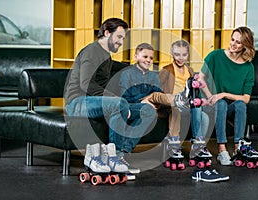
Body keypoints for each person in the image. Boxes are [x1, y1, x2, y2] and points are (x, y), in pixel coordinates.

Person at [64, 18, 157, 174]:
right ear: (107, 33)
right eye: (119, 37)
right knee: (119, 104)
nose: (121, 42)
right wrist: (118, 102)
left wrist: (141, 64)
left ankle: (121, 155)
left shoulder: (106, 55)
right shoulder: (91, 52)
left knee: (148, 110)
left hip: (94, 102)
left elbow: (118, 66)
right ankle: (114, 158)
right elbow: (86, 85)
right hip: (77, 103)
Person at [198, 26, 257, 165]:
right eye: (232, 39)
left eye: (238, 42)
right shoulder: (215, 56)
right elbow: (200, 78)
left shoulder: (248, 68)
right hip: (212, 103)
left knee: (240, 105)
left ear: (245, 46)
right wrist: (211, 96)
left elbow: (246, 98)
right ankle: (222, 150)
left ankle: (238, 148)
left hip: (228, 104)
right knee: (221, 103)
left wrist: (223, 94)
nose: (233, 44)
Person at [159, 40, 212, 163]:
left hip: (187, 105)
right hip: (174, 104)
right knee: (195, 108)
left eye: (184, 55)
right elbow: (158, 90)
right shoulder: (167, 70)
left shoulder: (190, 70)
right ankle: (197, 143)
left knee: (204, 117)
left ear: (188, 55)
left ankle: (197, 146)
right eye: (177, 54)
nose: (180, 58)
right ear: (172, 53)